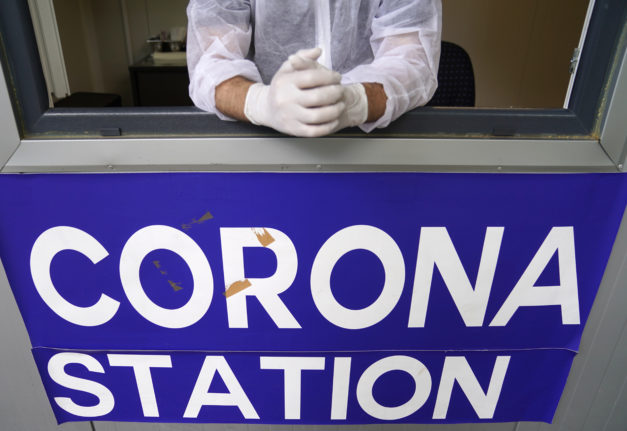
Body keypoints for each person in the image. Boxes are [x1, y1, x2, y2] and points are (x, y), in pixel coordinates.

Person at [187, 0, 441, 137]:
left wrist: (354, 101)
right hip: (264, 148)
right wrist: (260, 103)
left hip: (374, 147)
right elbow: (211, 63)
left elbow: (411, 61)